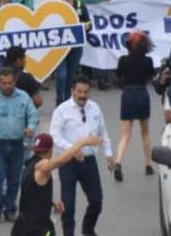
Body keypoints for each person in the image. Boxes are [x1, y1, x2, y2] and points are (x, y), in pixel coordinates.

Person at [50, 77, 114, 236]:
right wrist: (72, 149)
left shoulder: (95, 108)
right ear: (72, 91)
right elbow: (54, 135)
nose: (82, 95)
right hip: (67, 162)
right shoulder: (62, 110)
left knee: (96, 201)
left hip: (88, 161)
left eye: (86, 92)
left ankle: (88, 229)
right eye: (79, 91)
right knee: (68, 205)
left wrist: (108, 154)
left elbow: (102, 132)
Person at [11, 131, 101, 236]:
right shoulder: (42, 166)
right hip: (36, 227)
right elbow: (62, 159)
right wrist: (83, 142)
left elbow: (33, 192)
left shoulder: (29, 164)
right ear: (50, 150)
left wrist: (51, 203)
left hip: (21, 225)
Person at [0, 67, 39, 224]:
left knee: (14, 178)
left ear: (14, 82)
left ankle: (10, 209)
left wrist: (31, 128)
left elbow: (32, 115)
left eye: (10, 83)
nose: (8, 86)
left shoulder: (23, 97)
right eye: (4, 83)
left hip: (18, 144)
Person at [112, 31, 155, 180]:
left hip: (128, 94)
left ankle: (118, 162)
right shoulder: (148, 61)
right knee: (145, 132)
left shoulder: (123, 60)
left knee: (125, 135)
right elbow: (150, 76)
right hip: (142, 93)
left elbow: (118, 75)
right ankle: (148, 165)